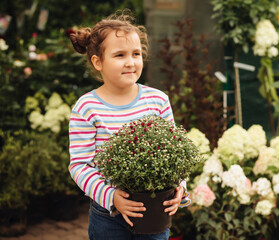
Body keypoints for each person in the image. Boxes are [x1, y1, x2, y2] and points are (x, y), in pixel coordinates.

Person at [67, 10, 190, 240]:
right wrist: (111, 196)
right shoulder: (87, 107)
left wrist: (180, 186)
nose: (130, 62)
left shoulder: (157, 100)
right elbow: (79, 165)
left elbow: (175, 155)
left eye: (136, 54)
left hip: (155, 208)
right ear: (98, 62)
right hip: (108, 217)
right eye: (120, 55)